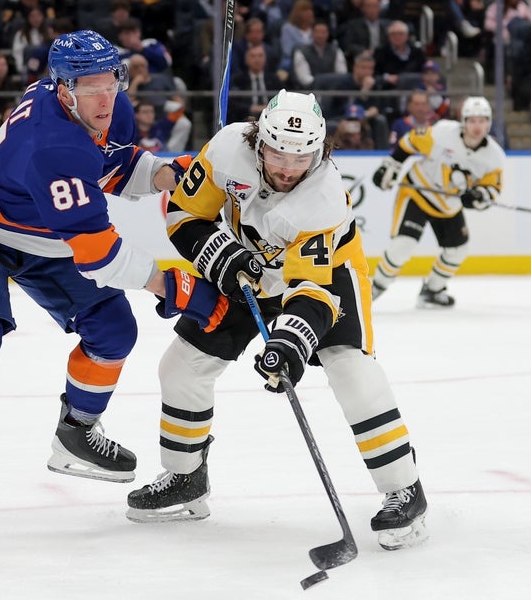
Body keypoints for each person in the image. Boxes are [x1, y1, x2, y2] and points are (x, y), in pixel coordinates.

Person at [0, 30, 226, 543]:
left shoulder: (103, 108)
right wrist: (172, 286)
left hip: (42, 235)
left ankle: (77, 431)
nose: (105, 97)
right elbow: (100, 255)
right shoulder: (51, 143)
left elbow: (112, 166)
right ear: (63, 90)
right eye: (90, 87)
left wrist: (165, 174)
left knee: (113, 329)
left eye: (110, 82)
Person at [125, 89, 428, 552]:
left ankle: (403, 488)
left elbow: (312, 292)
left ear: (320, 151)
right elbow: (184, 214)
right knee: (182, 366)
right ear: (258, 141)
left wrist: (289, 343)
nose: (288, 168)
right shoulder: (227, 149)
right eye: (278, 154)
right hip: (246, 264)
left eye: (301, 157)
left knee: (350, 368)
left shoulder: (324, 197)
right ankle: (186, 478)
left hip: (327, 277)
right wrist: (218, 254)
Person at [370, 97, 505, 308]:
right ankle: (374, 288)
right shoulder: (442, 133)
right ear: (463, 121)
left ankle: (432, 290)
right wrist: (391, 165)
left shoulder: (494, 156)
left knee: (458, 250)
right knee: (403, 245)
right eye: (472, 120)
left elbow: (492, 189)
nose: (477, 126)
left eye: (482, 120)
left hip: (449, 204)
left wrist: (478, 196)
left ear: (489, 123)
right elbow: (410, 141)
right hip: (418, 191)